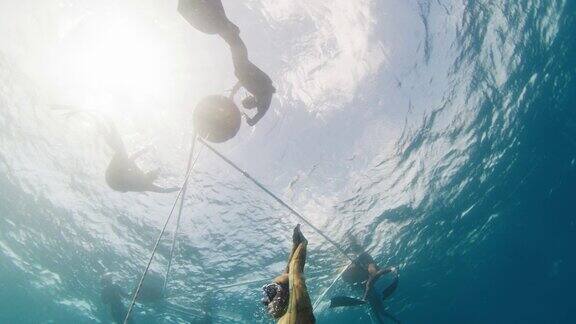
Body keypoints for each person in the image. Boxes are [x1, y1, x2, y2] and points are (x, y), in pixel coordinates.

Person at [103, 122, 179, 194]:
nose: (149, 171)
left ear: (147, 174)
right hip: (115, 182)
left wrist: (144, 150)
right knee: (122, 153)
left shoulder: (143, 180)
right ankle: (108, 132)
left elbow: (131, 158)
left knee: (122, 152)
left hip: (113, 178)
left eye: (150, 172)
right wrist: (178, 188)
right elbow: (164, 190)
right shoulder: (148, 186)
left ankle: (109, 131)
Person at [262, 224, 315, 323]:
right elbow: (291, 273)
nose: (266, 302)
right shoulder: (287, 315)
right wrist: (297, 244)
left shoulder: (298, 310)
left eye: (271, 293)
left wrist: (302, 243)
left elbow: (295, 272)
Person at [330, 253, 400, 324]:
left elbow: (371, 281)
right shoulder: (359, 270)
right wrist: (392, 270)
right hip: (368, 291)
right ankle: (396, 321)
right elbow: (371, 280)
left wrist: (392, 270)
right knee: (378, 312)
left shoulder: (370, 268)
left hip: (370, 292)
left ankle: (396, 321)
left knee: (380, 312)